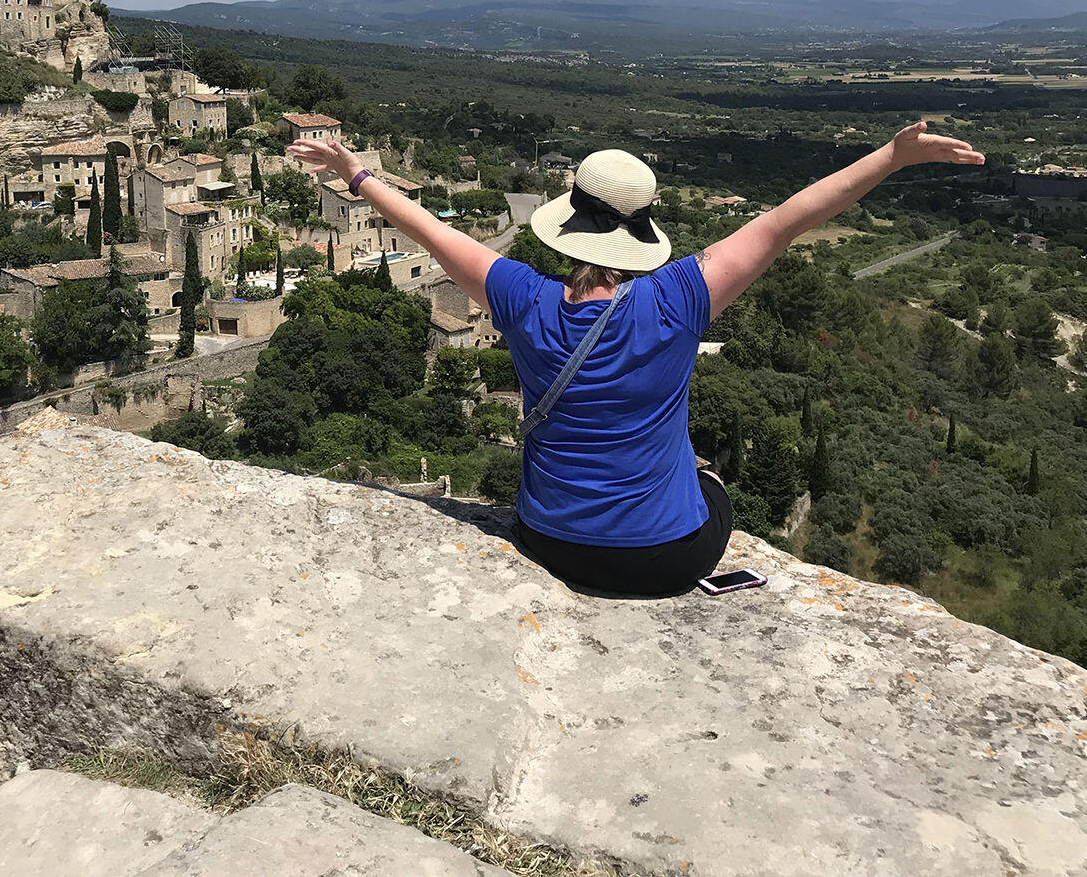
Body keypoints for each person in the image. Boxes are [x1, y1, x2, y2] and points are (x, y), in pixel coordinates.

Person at [286, 122, 984, 597]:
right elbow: (788, 220)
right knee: (707, 477)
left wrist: (358, 176)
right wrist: (891, 158)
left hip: (550, 542)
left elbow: (432, 232)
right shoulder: (680, 297)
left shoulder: (521, 298)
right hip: (669, 558)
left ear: (567, 226)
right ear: (644, 229)